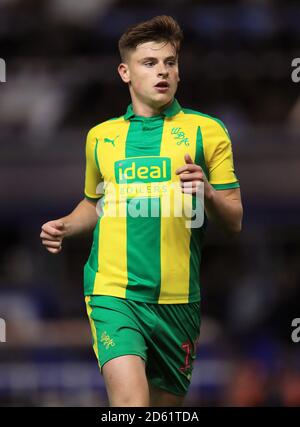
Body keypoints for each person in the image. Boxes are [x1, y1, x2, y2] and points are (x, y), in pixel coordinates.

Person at [40, 15, 243, 407]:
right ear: (125, 72)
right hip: (113, 292)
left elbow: (234, 219)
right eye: (149, 63)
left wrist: (208, 194)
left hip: (178, 302)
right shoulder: (101, 137)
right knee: (131, 403)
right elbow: (95, 203)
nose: (162, 71)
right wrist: (66, 225)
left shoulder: (209, 131)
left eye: (170, 62)